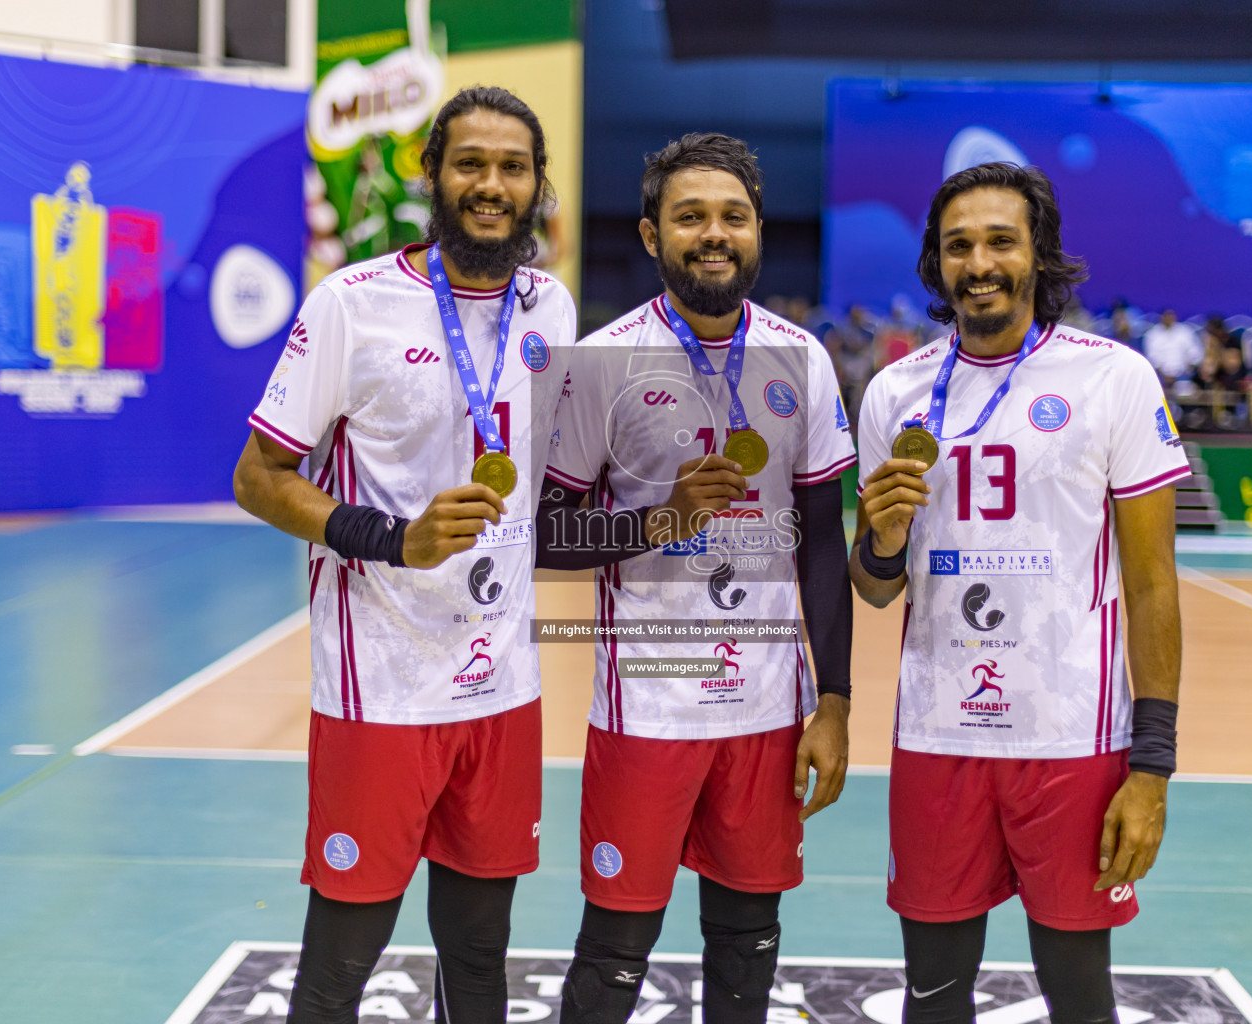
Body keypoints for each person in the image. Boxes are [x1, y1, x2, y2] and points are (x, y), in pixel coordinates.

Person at [232, 86, 576, 1024]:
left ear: (538, 185)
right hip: (377, 690)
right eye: (470, 163)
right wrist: (392, 539)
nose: (491, 185)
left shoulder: (552, 306)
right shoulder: (352, 302)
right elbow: (258, 477)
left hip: (501, 690)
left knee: (479, 957)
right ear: (433, 172)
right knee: (342, 963)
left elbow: (561, 488)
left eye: (512, 167)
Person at [848, 162, 1187, 1024]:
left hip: (1073, 742)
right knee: (933, 996)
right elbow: (876, 587)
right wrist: (882, 539)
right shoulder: (894, 392)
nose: (981, 262)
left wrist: (1151, 769)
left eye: (1002, 240)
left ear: (1039, 254)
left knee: (1079, 997)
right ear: (936, 263)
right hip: (938, 736)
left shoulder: (1113, 379)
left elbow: (1151, 586)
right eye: (959, 245)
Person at [538, 132, 856, 1024]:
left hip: (766, 712)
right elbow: (547, 536)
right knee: (613, 955)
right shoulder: (600, 363)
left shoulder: (804, 358)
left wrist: (833, 703)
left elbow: (822, 547)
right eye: (690, 218)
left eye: (733, 217)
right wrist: (659, 521)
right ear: (651, 237)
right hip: (647, 710)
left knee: (748, 949)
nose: (713, 234)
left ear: (759, 231)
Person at [1143, 308, 1203, 388]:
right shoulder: (1152, 334)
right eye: (1167, 317)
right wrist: (1164, 373)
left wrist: (1189, 367)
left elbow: (1195, 353)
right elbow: (1151, 357)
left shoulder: (1185, 332)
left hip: (1183, 375)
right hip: (1161, 376)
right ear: (1162, 318)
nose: (1169, 319)